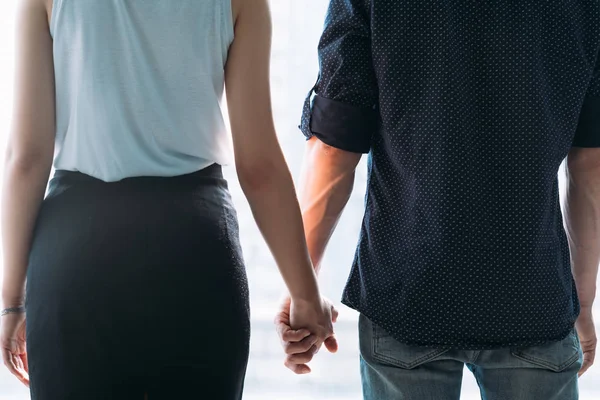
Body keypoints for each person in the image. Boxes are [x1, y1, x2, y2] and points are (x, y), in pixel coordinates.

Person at [0, 0, 337, 399]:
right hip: (194, 251)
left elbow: (26, 158)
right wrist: (305, 296)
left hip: (76, 258)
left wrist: (11, 302)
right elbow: (260, 166)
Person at [276, 0, 600, 399]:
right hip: (531, 298)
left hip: (406, 289)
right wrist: (583, 305)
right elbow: (589, 166)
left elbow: (335, 146)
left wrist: (302, 285)